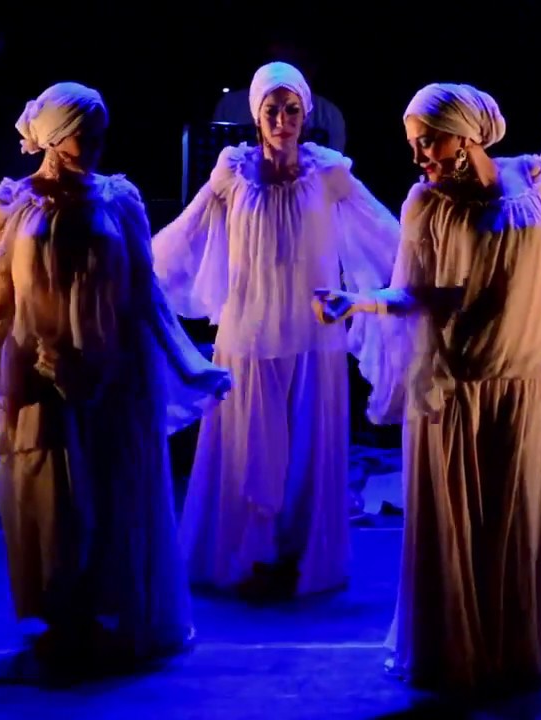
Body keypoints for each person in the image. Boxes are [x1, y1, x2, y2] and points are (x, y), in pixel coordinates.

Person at [313, 83, 541, 693]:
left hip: (525, 385)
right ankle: (459, 644)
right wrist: (359, 302)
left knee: (519, 519)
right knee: (462, 524)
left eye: (428, 140)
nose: (418, 154)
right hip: (455, 389)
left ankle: (516, 640)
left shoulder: (534, 180)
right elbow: (414, 291)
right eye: (413, 142)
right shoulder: (426, 204)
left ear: (465, 134)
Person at [0, 82, 231, 664]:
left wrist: (190, 364)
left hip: (113, 370)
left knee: (112, 493)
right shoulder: (11, 203)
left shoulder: (119, 199)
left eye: (98, 136)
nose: (93, 147)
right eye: (81, 137)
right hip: (39, 371)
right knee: (55, 502)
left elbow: (145, 291)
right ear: (52, 137)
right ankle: (60, 613)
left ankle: (105, 611)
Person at [153, 62, 399, 599]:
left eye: (291, 110)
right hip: (248, 333)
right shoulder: (232, 171)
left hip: (313, 336)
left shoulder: (328, 172)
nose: (282, 120)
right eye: (272, 110)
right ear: (256, 115)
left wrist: (419, 272)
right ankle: (250, 553)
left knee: (307, 452)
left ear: (305, 114)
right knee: (249, 450)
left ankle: (297, 554)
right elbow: (188, 231)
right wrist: (137, 269)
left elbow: (383, 230)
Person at [212, 37, 346, 152]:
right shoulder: (230, 105)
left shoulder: (329, 114)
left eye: (292, 110)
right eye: (271, 111)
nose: (280, 122)